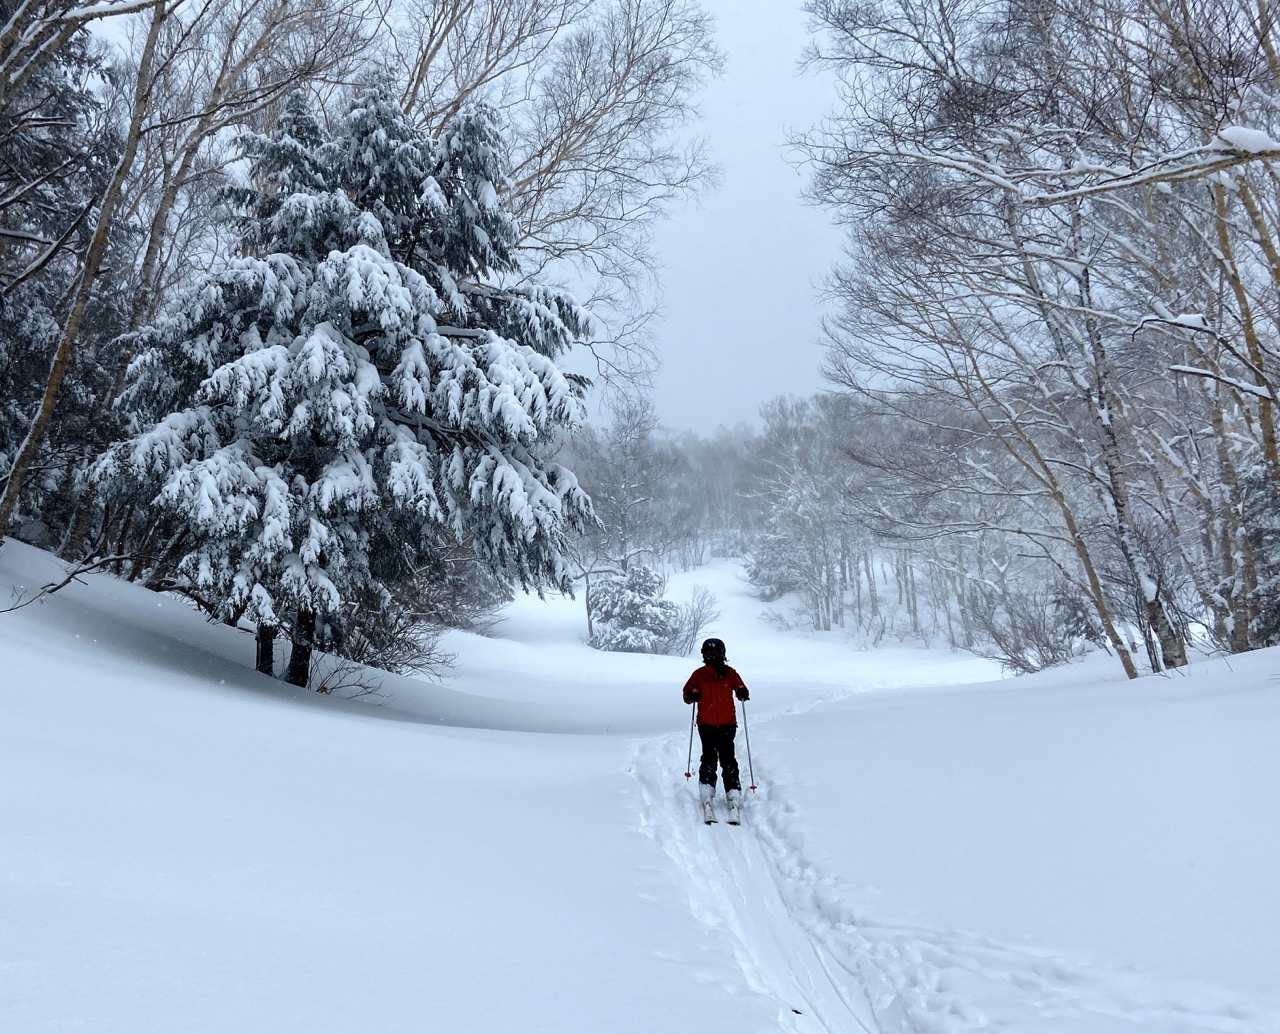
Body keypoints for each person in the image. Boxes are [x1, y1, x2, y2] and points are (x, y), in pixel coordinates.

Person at [682, 637, 750, 817]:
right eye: (710, 653)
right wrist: (691, 694)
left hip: (727, 723)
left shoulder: (729, 673)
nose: (713, 656)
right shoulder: (699, 674)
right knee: (709, 758)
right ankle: (706, 790)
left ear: (723, 654)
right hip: (706, 724)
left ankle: (733, 792)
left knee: (728, 758)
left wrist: (742, 691)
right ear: (704, 655)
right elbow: (686, 694)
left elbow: (741, 687)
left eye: (717, 653)